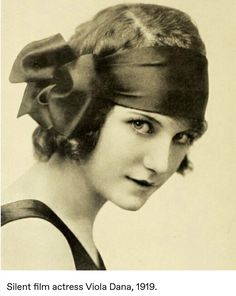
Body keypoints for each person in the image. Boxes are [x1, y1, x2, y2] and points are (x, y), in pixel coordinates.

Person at [1, 3, 208, 270]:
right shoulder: (35, 242)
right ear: (83, 110)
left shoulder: (59, 227)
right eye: (141, 125)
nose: (161, 163)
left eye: (182, 137)